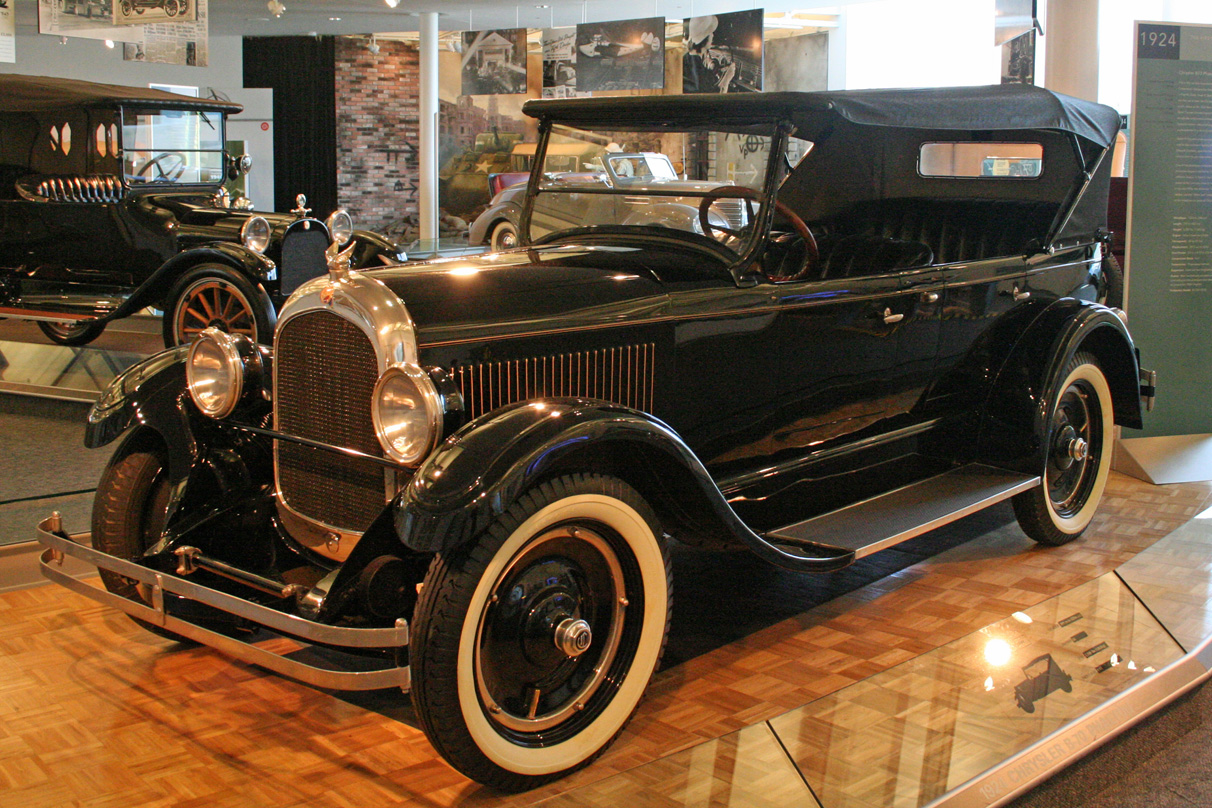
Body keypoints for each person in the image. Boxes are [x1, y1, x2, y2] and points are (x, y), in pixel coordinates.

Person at [683, 15, 738, 94]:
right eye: (711, 33)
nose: (713, 35)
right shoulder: (700, 72)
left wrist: (712, 67)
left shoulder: (687, 58)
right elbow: (716, 100)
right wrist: (727, 78)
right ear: (704, 38)